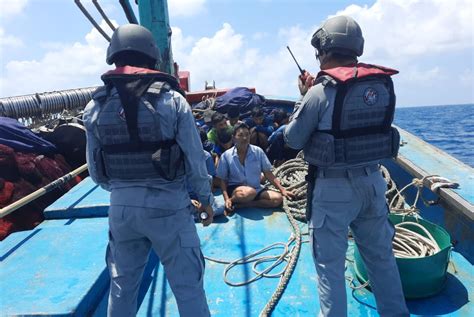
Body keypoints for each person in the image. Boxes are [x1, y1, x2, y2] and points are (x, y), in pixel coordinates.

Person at [83, 24, 213, 317]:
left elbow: (96, 172)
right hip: (169, 207)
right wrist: (205, 200)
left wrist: (124, 189)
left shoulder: (95, 106)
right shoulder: (172, 100)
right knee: (188, 288)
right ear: (152, 57)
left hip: (121, 210)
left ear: (113, 57)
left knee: (122, 289)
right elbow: (195, 158)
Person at [284, 16, 409, 317]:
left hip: (333, 190)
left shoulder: (319, 91)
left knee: (330, 268)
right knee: (382, 260)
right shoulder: (381, 85)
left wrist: (304, 96)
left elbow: (293, 139)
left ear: (325, 49)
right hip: (373, 184)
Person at [216, 122, 294, 215]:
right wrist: (227, 199)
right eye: (240, 135)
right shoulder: (226, 155)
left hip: (255, 188)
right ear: (233, 138)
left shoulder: (258, 151)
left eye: (247, 135)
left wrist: (282, 190)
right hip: (236, 190)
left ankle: (245, 205)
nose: (244, 138)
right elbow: (223, 180)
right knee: (248, 193)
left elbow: (268, 173)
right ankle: (233, 201)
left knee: (277, 199)